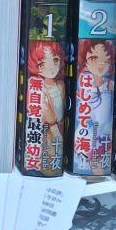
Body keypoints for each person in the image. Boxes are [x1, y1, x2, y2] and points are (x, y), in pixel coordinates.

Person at [27, 39, 66, 172]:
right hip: (47, 133)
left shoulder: (61, 85)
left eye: (55, 60)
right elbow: (46, 116)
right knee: (49, 160)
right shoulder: (38, 89)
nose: (51, 68)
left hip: (61, 128)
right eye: (42, 64)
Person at [76, 39, 115, 173]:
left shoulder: (109, 84)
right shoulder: (85, 82)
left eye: (106, 60)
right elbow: (100, 116)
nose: (100, 64)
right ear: (85, 61)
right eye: (93, 58)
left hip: (106, 137)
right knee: (95, 166)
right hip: (89, 138)